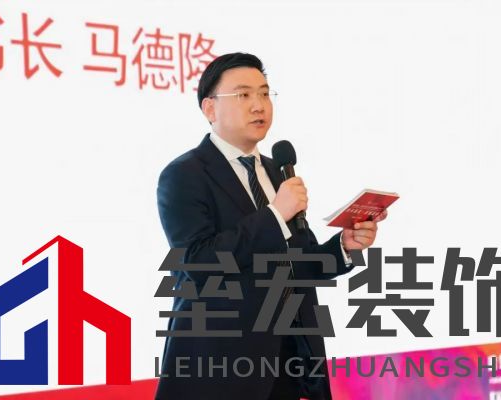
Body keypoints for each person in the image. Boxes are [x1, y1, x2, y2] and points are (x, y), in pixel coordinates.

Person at [155, 52, 386, 400]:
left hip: (289, 362)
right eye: (243, 94)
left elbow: (298, 264)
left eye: (265, 93)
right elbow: (198, 263)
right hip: (220, 368)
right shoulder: (184, 175)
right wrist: (275, 215)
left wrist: (344, 245)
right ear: (210, 108)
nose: (258, 105)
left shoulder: (277, 170)